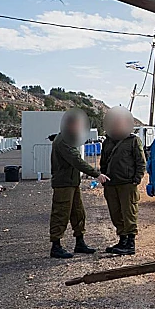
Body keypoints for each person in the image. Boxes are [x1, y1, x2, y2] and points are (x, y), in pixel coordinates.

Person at [49, 109, 109, 259]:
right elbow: (77, 160)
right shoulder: (63, 141)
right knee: (61, 213)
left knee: (78, 212)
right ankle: (56, 246)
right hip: (63, 184)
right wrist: (97, 174)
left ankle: (79, 242)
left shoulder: (66, 138)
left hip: (71, 183)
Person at [100, 107, 146, 256]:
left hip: (127, 184)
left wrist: (136, 179)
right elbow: (103, 161)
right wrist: (103, 177)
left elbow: (141, 162)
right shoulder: (107, 141)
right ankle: (122, 240)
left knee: (129, 213)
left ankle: (130, 243)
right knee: (116, 213)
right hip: (111, 184)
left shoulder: (133, 141)